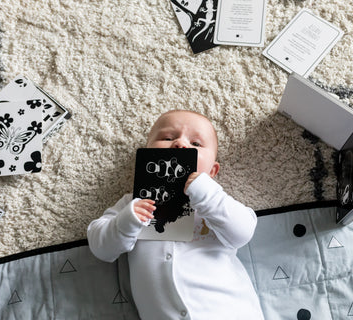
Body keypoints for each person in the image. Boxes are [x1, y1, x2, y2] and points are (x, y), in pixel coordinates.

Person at [87, 110, 265, 320]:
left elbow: (243, 232)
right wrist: (126, 221)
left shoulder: (215, 203)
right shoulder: (133, 204)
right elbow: (101, 248)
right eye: (168, 138)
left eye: (196, 144)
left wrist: (208, 194)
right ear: (145, 156)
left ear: (212, 171)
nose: (180, 144)